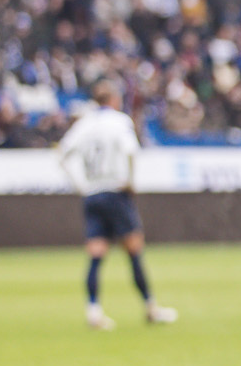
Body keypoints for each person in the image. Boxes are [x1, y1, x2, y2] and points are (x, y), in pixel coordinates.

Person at [57, 80, 178, 329]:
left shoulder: (84, 124)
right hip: (115, 191)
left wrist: (81, 186)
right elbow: (131, 151)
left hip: (92, 194)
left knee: (96, 255)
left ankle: (93, 311)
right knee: (134, 250)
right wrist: (130, 182)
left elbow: (62, 154)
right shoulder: (120, 121)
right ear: (113, 99)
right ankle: (150, 308)